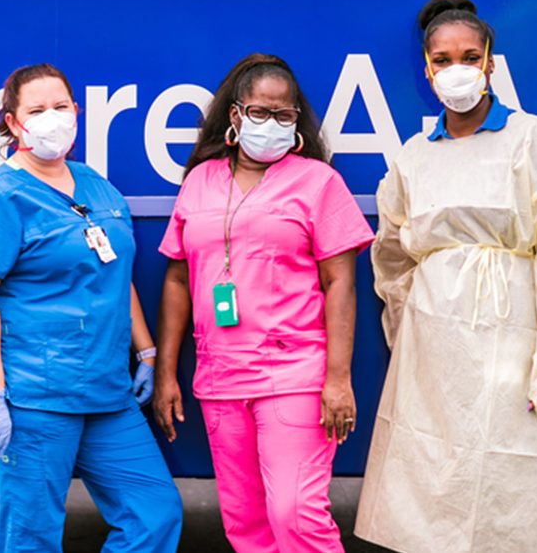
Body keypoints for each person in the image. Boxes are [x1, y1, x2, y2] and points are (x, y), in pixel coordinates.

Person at [354, 0, 537, 553]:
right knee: (429, 482)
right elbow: (391, 259)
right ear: (427, 69)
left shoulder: (534, 141)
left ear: (490, 62)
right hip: (433, 350)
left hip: (512, 339)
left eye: (469, 55)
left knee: (509, 489)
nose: (456, 69)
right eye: (442, 59)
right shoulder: (413, 157)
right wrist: (407, 336)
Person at [0, 63, 183, 553]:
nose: (51, 118)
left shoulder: (96, 186)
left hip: (106, 390)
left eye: (60, 107)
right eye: (36, 110)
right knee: (32, 536)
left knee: (155, 513)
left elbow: (116, 273)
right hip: (31, 393)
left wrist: (147, 352)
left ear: (77, 113)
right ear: (12, 122)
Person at [152, 53, 374, 553]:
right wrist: (167, 373)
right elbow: (178, 279)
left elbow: (341, 283)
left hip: (293, 374)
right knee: (246, 524)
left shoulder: (319, 183)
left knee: (295, 513)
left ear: (297, 121)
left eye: (283, 114)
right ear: (236, 115)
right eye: (260, 112)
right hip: (221, 378)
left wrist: (338, 379)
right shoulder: (201, 181)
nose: (271, 123)